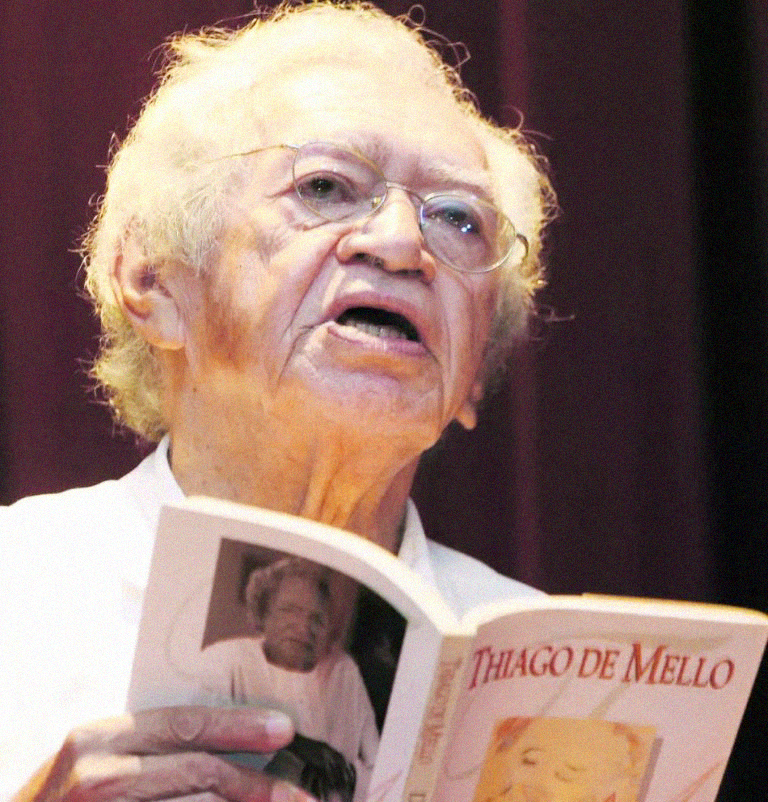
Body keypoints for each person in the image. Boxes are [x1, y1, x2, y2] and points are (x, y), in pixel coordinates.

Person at [0, 2, 556, 800]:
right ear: (153, 279)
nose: (402, 244)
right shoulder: (16, 586)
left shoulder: (545, 679)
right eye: (326, 187)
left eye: (459, 219)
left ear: (476, 371)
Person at [196, 559, 378, 801]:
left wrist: (346, 776)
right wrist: (295, 746)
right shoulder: (228, 659)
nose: (304, 626)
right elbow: (204, 742)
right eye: (289, 610)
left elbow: (379, 763)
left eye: (317, 619)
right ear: (262, 614)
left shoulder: (343, 671)